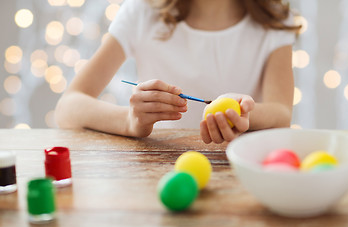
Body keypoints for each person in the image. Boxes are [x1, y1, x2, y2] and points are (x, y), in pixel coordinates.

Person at [55, 0, 300, 144]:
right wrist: (130, 121)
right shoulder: (143, 11)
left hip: (241, 176)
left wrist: (244, 114)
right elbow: (67, 108)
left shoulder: (275, 20)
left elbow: (281, 114)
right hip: (155, 177)